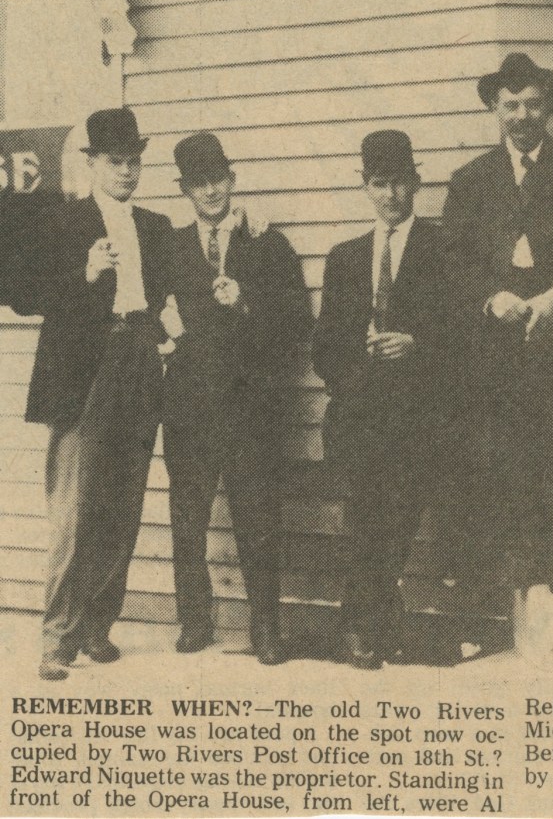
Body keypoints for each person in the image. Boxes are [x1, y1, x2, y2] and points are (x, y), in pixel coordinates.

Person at [442, 53, 553, 604]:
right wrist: (492, 298)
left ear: (550, 108)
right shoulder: (471, 181)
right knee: (506, 444)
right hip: (499, 332)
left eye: (533, 104)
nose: (522, 115)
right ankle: (518, 555)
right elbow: (453, 261)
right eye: (511, 105)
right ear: (495, 109)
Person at [22, 108, 171, 681]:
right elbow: (25, 293)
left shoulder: (155, 227)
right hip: (84, 369)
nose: (127, 172)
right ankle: (57, 639)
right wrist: (81, 275)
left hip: (139, 359)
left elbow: (173, 289)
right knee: (75, 508)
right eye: (115, 162)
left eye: (134, 161)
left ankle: (96, 629)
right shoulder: (62, 224)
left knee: (125, 501)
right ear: (91, 164)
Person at [159, 133, 311, 665]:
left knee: (258, 520)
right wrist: (164, 334)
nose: (209, 192)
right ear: (184, 190)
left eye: (217, 179)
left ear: (232, 179)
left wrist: (249, 301)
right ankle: (195, 621)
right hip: (188, 412)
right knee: (186, 518)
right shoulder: (169, 248)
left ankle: (266, 628)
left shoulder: (267, 244)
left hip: (251, 412)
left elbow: (299, 324)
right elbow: (146, 310)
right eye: (198, 183)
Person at [312, 131, 454, 668]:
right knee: (365, 522)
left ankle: (364, 625)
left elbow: (466, 334)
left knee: (393, 522)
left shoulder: (443, 249)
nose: (391, 195)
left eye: (399, 182)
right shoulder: (345, 257)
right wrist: (359, 368)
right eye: (379, 184)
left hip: (419, 417)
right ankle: (370, 625)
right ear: (365, 188)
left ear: (415, 183)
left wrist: (416, 345)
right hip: (360, 416)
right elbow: (325, 348)